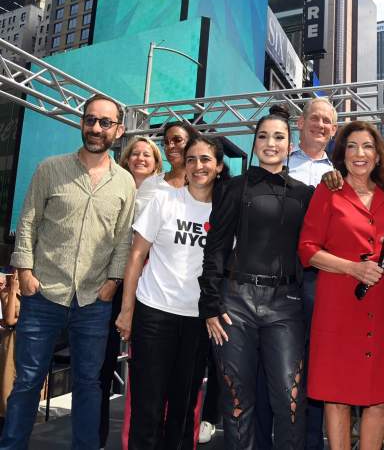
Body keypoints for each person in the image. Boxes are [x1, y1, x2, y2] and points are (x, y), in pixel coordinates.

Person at [2, 94, 135, 449]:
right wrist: (25, 272)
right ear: (82, 123)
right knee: (28, 380)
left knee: (90, 384)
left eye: (105, 123)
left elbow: (123, 240)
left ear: (118, 130)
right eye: (90, 120)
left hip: (94, 300)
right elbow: (28, 221)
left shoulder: (124, 183)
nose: (95, 128)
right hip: (43, 293)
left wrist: (113, 282)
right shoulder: (50, 168)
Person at [199, 106, 313, 449]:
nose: (270, 143)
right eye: (262, 136)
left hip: (286, 306)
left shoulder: (305, 194)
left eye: (278, 136)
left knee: (290, 401)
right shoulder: (234, 188)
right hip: (235, 304)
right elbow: (215, 247)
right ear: (254, 142)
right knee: (236, 400)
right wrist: (210, 303)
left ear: (289, 144)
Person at [298, 121, 384, 449]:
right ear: (342, 154)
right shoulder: (327, 191)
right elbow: (307, 250)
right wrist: (353, 269)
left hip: (381, 311)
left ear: (378, 156)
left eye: (368, 146)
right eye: (352, 146)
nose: (360, 153)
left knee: (378, 399)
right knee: (337, 398)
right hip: (338, 311)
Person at [115, 135, 227, 449]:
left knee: (184, 403)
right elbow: (136, 255)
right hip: (154, 313)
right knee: (146, 405)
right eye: (191, 159)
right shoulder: (164, 201)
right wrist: (127, 309)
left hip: (197, 320)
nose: (198, 166)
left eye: (205, 159)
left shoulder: (225, 213)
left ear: (218, 166)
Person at [255, 96, 337, 450]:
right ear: (299, 124)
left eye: (327, 122)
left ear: (333, 131)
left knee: (313, 370)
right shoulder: (272, 160)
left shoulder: (341, 174)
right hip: (269, 281)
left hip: (317, 282)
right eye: (314, 118)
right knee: (265, 370)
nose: (320, 125)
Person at [98, 136, 162, 449]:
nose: (139, 158)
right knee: (102, 362)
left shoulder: (163, 190)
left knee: (147, 366)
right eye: (134, 153)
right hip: (110, 279)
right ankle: (97, 436)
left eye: (146, 154)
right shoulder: (112, 186)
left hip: (148, 281)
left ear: (156, 161)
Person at [136, 121, 199, 216]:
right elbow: (140, 225)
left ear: (192, 144)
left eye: (177, 140)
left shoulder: (205, 186)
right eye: (166, 142)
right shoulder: (152, 184)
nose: (170, 146)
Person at [0, 271, 20, 427]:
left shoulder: (35, 291)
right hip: (11, 341)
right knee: (7, 385)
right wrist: (12, 290)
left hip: (29, 341)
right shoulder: (7, 290)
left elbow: (11, 320)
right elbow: (8, 319)